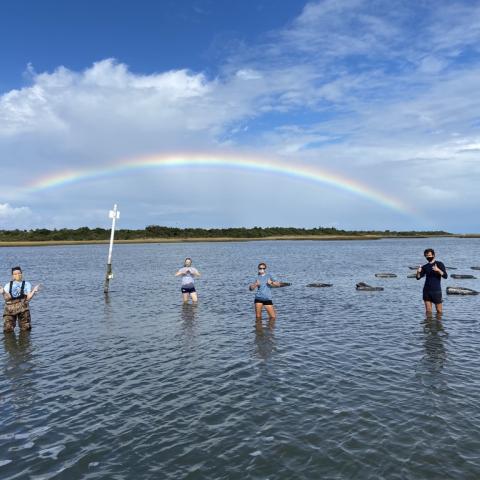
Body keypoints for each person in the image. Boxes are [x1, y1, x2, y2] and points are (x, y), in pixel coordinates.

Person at [1, 266, 40, 333]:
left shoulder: (27, 284)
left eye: (19, 273)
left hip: (23, 307)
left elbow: (28, 298)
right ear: (12, 276)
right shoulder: (8, 285)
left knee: (26, 328)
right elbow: (7, 298)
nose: (17, 275)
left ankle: (24, 342)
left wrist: (33, 291)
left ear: (22, 274)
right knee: (8, 329)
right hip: (10, 308)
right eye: (15, 274)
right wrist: (3, 293)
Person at [416, 249, 448, 315]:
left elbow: (445, 276)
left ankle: (439, 324)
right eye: (427, 256)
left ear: (434, 255)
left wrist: (438, 270)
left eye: (429, 255)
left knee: (439, 311)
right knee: (428, 312)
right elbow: (418, 278)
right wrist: (418, 272)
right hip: (426, 291)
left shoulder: (439, 264)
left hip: (436, 291)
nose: (428, 257)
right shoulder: (425, 267)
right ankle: (428, 325)